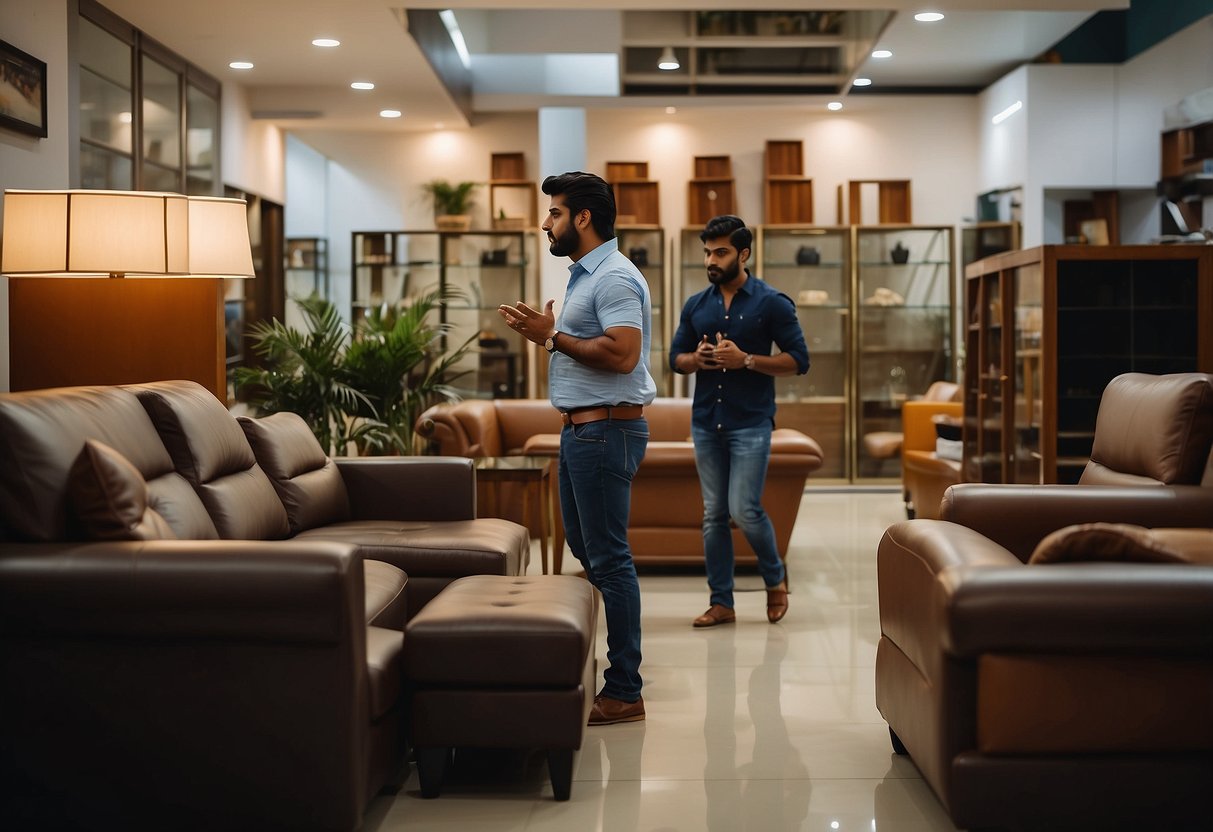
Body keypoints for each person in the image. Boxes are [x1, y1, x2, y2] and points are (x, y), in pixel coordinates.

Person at [498, 171, 656, 725]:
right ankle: (621, 661)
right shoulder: (584, 277)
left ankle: (626, 687)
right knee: (591, 555)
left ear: (583, 218)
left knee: (609, 559)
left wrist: (548, 334)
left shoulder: (613, 277)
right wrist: (551, 331)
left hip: (606, 430)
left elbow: (622, 355)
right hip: (583, 430)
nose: (546, 223)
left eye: (555, 213)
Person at [669, 215, 810, 628]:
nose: (711, 260)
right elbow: (675, 359)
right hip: (706, 422)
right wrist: (696, 360)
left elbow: (799, 361)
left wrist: (746, 360)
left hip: (750, 423)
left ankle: (774, 578)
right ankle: (722, 602)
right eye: (708, 252)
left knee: (744, 509)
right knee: (713, 514)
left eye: (721, 252)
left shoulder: (772, 302)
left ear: (743, 254)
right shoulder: (696, 304)